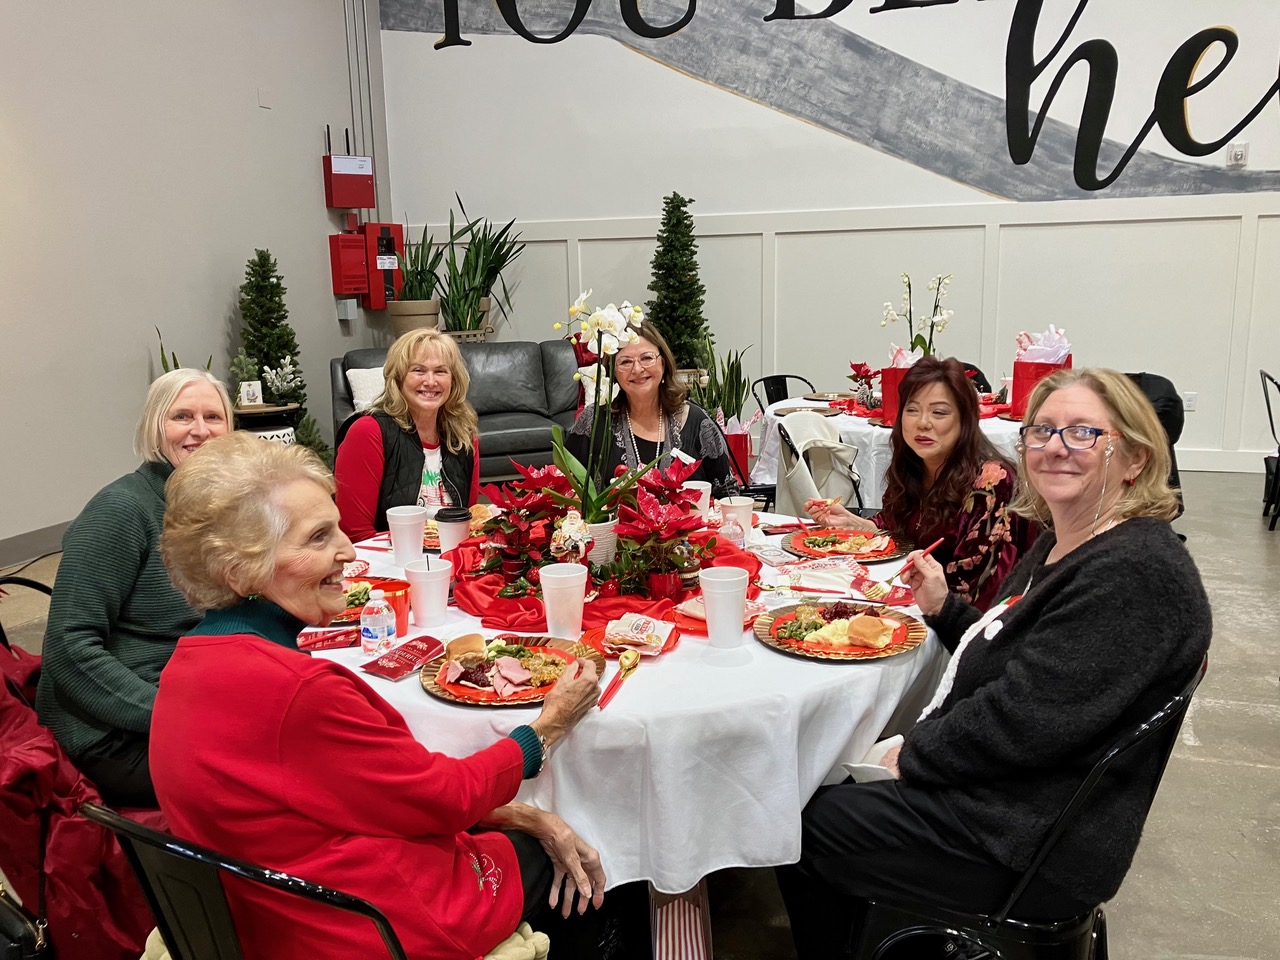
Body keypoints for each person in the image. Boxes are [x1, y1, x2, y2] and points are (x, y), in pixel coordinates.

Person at [778, 368, 1211, 957]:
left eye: (1083, 432)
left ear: (1135, 458)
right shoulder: (1072, 539)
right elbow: (1014, 656)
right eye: (1042, 430)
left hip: (1028, 842)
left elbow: (1024, 721)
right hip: (1015, 799)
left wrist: (914, 753)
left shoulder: (1134, 574)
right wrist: (945, 609)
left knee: (799, 825)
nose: (1055, 447)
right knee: (828, 783)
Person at [153, 432, 608, 960]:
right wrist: (546, 729)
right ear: (240, 570)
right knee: (584, 859)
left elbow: (366, 794)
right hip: (358, 925)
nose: (348, 550)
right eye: (318, 537)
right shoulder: (298, 690)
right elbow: (444, 799)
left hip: (262, 913)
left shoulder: (186, 665)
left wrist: (517, 812)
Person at [35, 368, 232, 806]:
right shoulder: (121, 510)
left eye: (213, 417)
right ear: (154, 427)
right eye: (182, 416)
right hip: (110, 729)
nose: (201, 431)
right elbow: (68, 648)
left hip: (186, 695)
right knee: (267, 778)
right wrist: (173, 715)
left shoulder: (214, 507)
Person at [805, 356, 1031, 610]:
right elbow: (895, 527)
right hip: (913, 598)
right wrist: (854, 524)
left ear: (965, 419)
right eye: (912, 410)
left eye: (939, 412)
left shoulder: (991, 481)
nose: (922, 423)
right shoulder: (914, 464)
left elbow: (978, 589)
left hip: (960, 618)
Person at [334, 329, 481, 543]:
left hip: (450, 556)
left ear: (454, 380)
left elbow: (469, 521)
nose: (430, 381)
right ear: (398, 377)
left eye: (440, 371)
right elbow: (355, 534)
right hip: (386, 558)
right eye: (418, 370)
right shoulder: (367, 431)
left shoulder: (464, 436)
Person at [567, 319, 740, 499]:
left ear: (663, 363)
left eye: (647, 358)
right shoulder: (593, 421)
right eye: (625, 362)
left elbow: (728, 494)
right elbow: (564, 487)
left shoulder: (697, 422)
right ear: (613, 371)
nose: (637, 369)